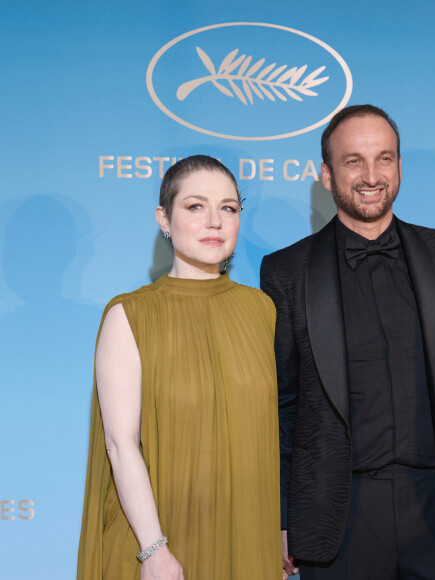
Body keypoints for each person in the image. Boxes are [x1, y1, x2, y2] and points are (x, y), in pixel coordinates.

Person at [260, 105, 435, 579]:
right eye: (353, 160)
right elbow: (281, 406)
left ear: (398, 167)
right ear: (326, 175)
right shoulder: (286, 271)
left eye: (385, 159)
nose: (371, 175)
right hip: (338, 515)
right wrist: (281, 517)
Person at [78, 155, 282, 579]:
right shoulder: (129, 314)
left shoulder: (261, 310)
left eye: (228, 208)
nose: (214, 222)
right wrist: (154, 550)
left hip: (244, 540)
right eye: (195, 206)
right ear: (163, 218)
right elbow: (120, 444)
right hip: (157, 546)